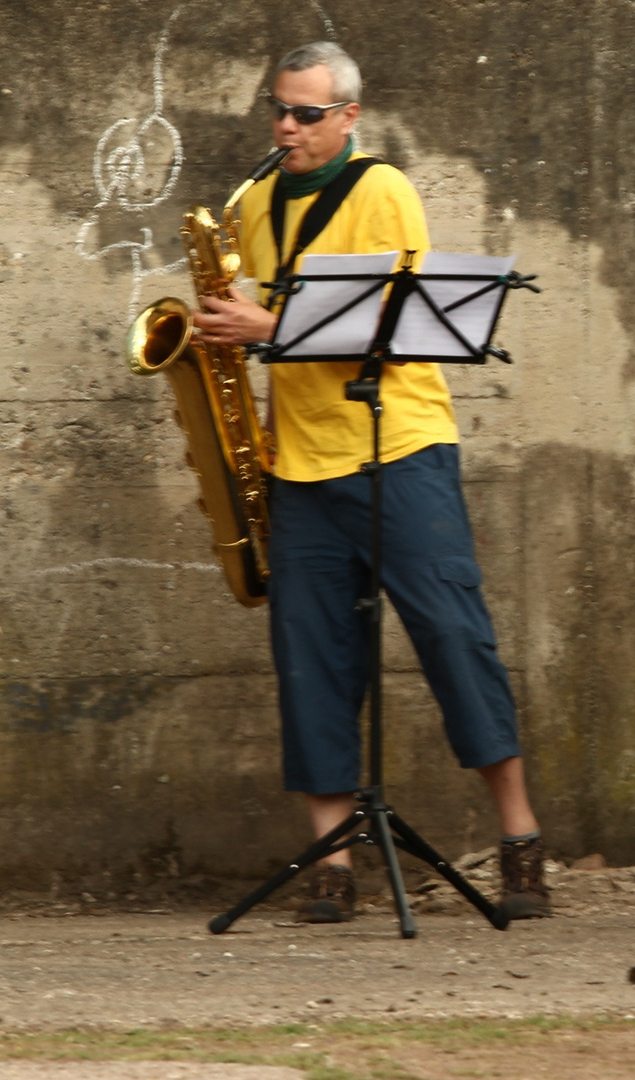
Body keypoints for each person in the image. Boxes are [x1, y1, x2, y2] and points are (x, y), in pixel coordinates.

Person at [191, 41, 548, 923]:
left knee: (454, 634)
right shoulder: (258, 202)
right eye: (279, 109)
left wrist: (263, 323)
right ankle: (333, 858)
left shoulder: (383, 190)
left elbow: (389, 316)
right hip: (299, 462)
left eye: (307, 114)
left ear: (348, 117)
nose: (287, 127)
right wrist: (223, 332)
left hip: (399, 450)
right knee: (309, 656)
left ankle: (519, 838)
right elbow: (263, 321)